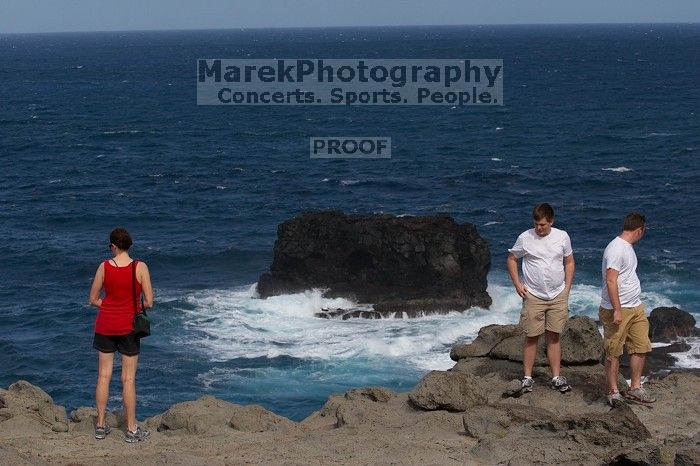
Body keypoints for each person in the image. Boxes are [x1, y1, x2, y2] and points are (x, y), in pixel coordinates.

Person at [89, 227, 153, 442]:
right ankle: (132, 430)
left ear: (113, 246)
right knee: (128, 379)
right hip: (129, 327)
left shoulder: (104, 266)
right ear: (129, 245)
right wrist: (132, 307)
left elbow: (93, 299)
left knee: (103, 376)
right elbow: (149, 302)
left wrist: (108, 306)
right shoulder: (140, 267)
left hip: (105, 325)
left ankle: (100, 426)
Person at [507, 203, 575, 393]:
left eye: (543, 224)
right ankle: (527, 378)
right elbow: (512, 259)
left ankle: (556, 377)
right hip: (534, 295)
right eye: (536, 224)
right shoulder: (525, 237)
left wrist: (567, 288)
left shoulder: (562, 236)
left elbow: (569, 261)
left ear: (551, 221)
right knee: (531, 336)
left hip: (557, 294)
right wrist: (517, 284)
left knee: (554, 336)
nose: (539, 228)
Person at [599, 213, 655, 405]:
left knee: (640, 345)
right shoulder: (616, 249)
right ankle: (613, 391)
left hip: (635, 306)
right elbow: (611, 280)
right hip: (618, 308)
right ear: (639, 230)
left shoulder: (627, 247)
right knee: (614, 351)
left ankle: (635, 388)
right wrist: (617, 309)